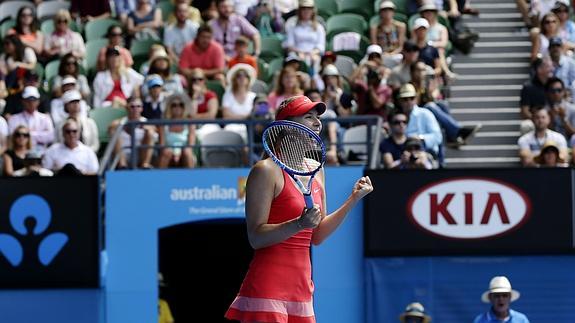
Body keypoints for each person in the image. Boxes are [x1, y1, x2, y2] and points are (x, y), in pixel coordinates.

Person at [225, 95, 374, 322]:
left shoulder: (316, 169)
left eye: (318, 117)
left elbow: (318, 235)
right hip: (268, 287)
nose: (317, 123)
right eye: (309, 117)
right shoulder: (265, 170)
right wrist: (298, 224)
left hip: (302, 289)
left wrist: (353, 199)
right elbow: (255, 237)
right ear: (286, 127)